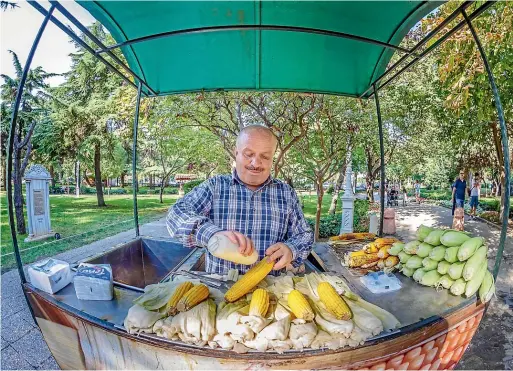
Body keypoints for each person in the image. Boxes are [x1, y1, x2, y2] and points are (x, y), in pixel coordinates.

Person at [166, 124, 314, 275]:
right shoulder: (214, 186)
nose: (256, 163)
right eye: (248, 154)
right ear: (236, 153)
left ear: (273, 158)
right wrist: (211, 235)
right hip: (220, 291)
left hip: (270, 291)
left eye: (265, 156)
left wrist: (291, 249)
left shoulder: (286, 193)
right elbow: (176, 214)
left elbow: (304, 235)